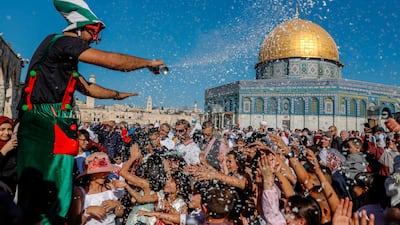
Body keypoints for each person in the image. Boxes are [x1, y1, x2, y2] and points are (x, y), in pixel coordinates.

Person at [16, 0, 167, 224]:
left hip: (49, 126)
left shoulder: (59, 53)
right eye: (93, 32)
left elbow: (87, 88)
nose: (95, 38)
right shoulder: (65, 42)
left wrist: (116, 95)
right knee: (51, 192)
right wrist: (148, 62)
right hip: (49, 126)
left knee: (45, 191)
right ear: (82, 27)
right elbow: (111, 61)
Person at [68, 152, 125, 225]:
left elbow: (120, 214)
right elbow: (73, 222)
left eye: (106, 171)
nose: (104, 174)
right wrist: (87, 211)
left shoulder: (109, 187)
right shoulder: (80, 192)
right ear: (91, 173)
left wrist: (117, 204)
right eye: (100, 172)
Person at [0, 116, 18, 196]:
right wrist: (4, 150)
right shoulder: (8, 147)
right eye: (2, 129)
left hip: (9, 192)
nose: (6, 133)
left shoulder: (14, 146)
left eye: (9, 129)